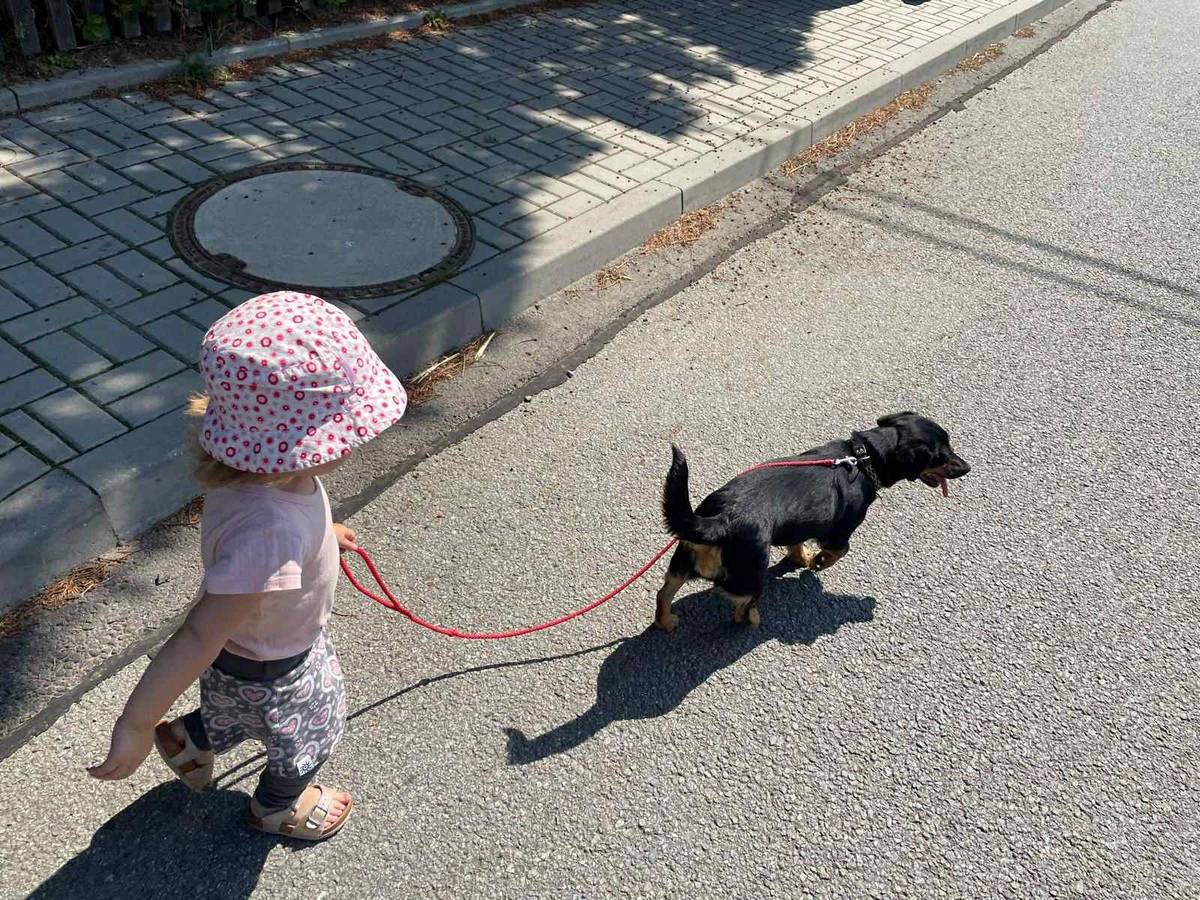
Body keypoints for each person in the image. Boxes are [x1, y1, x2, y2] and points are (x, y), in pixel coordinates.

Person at [88, 291, 407, 840]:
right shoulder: (271, 532)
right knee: (312, 734)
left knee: (236, 707)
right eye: (344, 427)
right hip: (279, 661)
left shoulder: (260, 482)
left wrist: (319, 537)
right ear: (294, 445)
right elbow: (196, 635)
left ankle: (189, 739)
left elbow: (269, 542)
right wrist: (134, 723)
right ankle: (276, 809)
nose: (356, 438)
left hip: (253, 651)